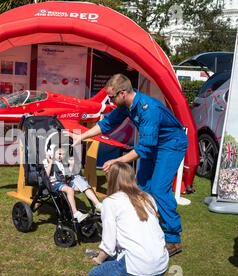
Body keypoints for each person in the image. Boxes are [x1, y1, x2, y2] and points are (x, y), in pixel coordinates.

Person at [73, 74, 188, 256]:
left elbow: (144, 147)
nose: (110, 101)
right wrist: (81, 136)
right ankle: (146, 228)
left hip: (170, 145)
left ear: (123, 93)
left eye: (111, 97)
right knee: (141, 187)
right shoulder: (126, 105)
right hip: (154, 144)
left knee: (158, 189)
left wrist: (116, 161)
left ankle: (173, 239)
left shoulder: (148, 109)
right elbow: (107, 123)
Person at [88, 162, 169, 276]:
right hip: (162, 267)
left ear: (112, 179)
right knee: (131, 256)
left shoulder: (110, 202)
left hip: (137, 266)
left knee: (94, 275)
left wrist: (98, 259)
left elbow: (108, 244)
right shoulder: (148, 197)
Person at [43, 144, 102, 222]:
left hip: (64, 181)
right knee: (70, 190)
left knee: (83, 184)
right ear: (52, 153)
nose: (61, 156)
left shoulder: (62, 163)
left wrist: (71, 165)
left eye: (63, 154)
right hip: (54, 183)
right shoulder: (47, 161)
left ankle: (98, 204)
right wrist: (50, 162)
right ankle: (75, 213)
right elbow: (45, 175)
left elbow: (67, 175)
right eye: (59, 154)